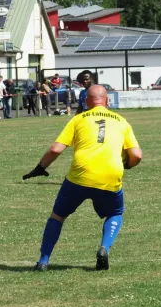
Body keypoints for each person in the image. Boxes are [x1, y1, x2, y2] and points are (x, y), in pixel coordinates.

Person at [23, 85, 143, 271]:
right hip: (110, 175)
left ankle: (43, 261)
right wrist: (126, 165)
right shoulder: (122, 121)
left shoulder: (78, 119)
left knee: (57, 216)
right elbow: (137, 155)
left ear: (87, 102)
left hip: (79, 175)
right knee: (115, 213)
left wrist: (40, 168)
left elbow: (56, 149)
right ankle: (104, 247)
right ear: (107, 101)